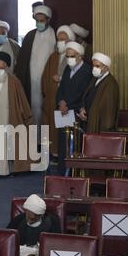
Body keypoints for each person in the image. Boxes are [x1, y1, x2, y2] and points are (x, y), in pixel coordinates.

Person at [15, 5, 56, 127]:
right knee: (32, 109)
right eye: (37, 21)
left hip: (47, 81)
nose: (39, 23)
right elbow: (22, 60)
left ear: (48, 20)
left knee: (46, 110)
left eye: (42, 21)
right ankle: (33, 142)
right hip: (31, 82)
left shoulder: (54, 35)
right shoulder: (30, 35)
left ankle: (45, 143)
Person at [56, 42, 93, 176]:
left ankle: (73, 174)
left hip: (76, 113)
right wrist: (61, 102)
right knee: (63, 144)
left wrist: (68, 105)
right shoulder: (67, 68)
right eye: (67, 56)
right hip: (63, 112)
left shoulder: (87, 71)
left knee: (75, 144)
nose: (69, 59)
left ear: (80, 56)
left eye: (72, 56)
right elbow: (61, 89)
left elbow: (84, 94)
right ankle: (62, 173)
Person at [41, 25, 76, 155]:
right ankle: (53, 153)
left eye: (64, 39)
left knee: (64, 129)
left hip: (66, 101)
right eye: (59, 39)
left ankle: (63, 154)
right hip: (52, 99)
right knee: (51, 127)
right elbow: (45, 77)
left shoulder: (73, 57)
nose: (60, 42)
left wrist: (61, 79)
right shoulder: (53, 57)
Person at [78, 52, 119, 134]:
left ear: (106, 68)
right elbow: (86, 96)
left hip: (100, 126)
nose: (94, 68)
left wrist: (90, 116)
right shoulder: (94, 79)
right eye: (93, 66)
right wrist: (82, 108)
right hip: (89, 122)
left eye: (97, 66)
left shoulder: (111, 83)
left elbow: (108, 110)